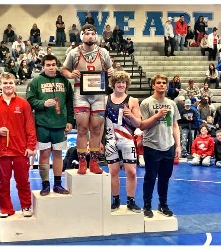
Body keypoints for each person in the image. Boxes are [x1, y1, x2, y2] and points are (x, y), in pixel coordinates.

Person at [61, 24, 114, 175]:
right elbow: (64, 69)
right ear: (82, 35)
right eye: (87, 33)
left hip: (98, 94)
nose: (90, 36)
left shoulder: (103, 52)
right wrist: (71, 75)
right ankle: (82, 161)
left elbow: (110, 70)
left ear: (96, 36)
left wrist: (111, 71)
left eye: (92, 34)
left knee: (97, 128)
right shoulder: (74, 53)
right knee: (82, 128)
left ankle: (94, 161)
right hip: (81, 93)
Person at [0, 72, 37, 218]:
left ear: (14, 84)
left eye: (10, 83)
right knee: (3, 183)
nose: (8, 86)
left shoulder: (23, 104)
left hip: (20, 150)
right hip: (2, 151)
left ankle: (26, 206)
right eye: (5, 83)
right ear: (0, 85)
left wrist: (31, 146)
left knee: (23, 181)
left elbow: (30, 126)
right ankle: (6, 209)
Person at [26, 54, 74, 196]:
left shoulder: (64, 81)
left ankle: (58, 185)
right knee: (44, 154)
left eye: (53, 64)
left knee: (58, 154)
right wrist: (43, 103)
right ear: (43, 66)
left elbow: (70, 103)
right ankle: (45, 185)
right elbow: (29, 101)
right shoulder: (36, 81)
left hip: (60, 124)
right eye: (48, 65)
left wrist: (70, 121)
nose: (51, 67)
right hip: (42, 124)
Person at [139, 74, 181, 218]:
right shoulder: (146, 103)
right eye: (159, 82)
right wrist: (156, 116)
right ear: (153, 85)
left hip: (168, 146)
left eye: (164, 83)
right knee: (150, 178)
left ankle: (163, 205)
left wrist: (178, 146)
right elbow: (142, 125)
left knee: (165, 178)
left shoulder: (171, 104)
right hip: (151, 145)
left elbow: (174, 125)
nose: (162, 85)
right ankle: (147, 206)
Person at [105, 71, 142, 213]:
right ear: (113, 84)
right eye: (118, 82)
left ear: (127, 84)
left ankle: (131, 201)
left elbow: (138, 123)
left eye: (123, 82)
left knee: (131, 172)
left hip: (127, 139)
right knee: (113, 171)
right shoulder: (105, 99)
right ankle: (115, 200)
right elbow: (100, 123)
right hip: (110, 139)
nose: (121, 85)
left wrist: (131, 115)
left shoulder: (133, 101)